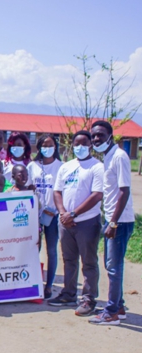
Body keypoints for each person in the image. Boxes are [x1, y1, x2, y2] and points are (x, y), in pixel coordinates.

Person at [49, 131, 104, 317]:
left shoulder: (97, 167)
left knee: (88, 262)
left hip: (87, 222)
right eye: (76, 143)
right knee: (69, 260)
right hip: (66, 222)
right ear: (72, 145)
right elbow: (57, 192)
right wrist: (64, 213)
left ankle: (89, 298)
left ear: (90, 145)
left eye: (84, 143)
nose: (80, 147)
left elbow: (97, 195)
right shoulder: (66, 167)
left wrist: (74, 213)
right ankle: (69, 293)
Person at [89, 121, 135, 326]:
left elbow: (124, 191)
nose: (96, 139)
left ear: (110, 135)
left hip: (120, 221)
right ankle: (119, 306)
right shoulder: (107, 158)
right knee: (110, 265)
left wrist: (114, 222)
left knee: (114, 267)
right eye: (94, 136)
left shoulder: (119, 157)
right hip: (112, 219)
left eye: (100, 135)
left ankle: (111, 312)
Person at [27, 134, 63, 298]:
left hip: (52, 215)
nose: (47, 148)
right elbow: (26, 188)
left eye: (50, 145)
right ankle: (34, 281)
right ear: (39, 147)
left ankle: (49, 286)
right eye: (44, 145)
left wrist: (57, 210)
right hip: (34, 215)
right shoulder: (32, 166)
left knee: (51, 250)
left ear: (55, 147)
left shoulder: (61, 167)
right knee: (34, 248)